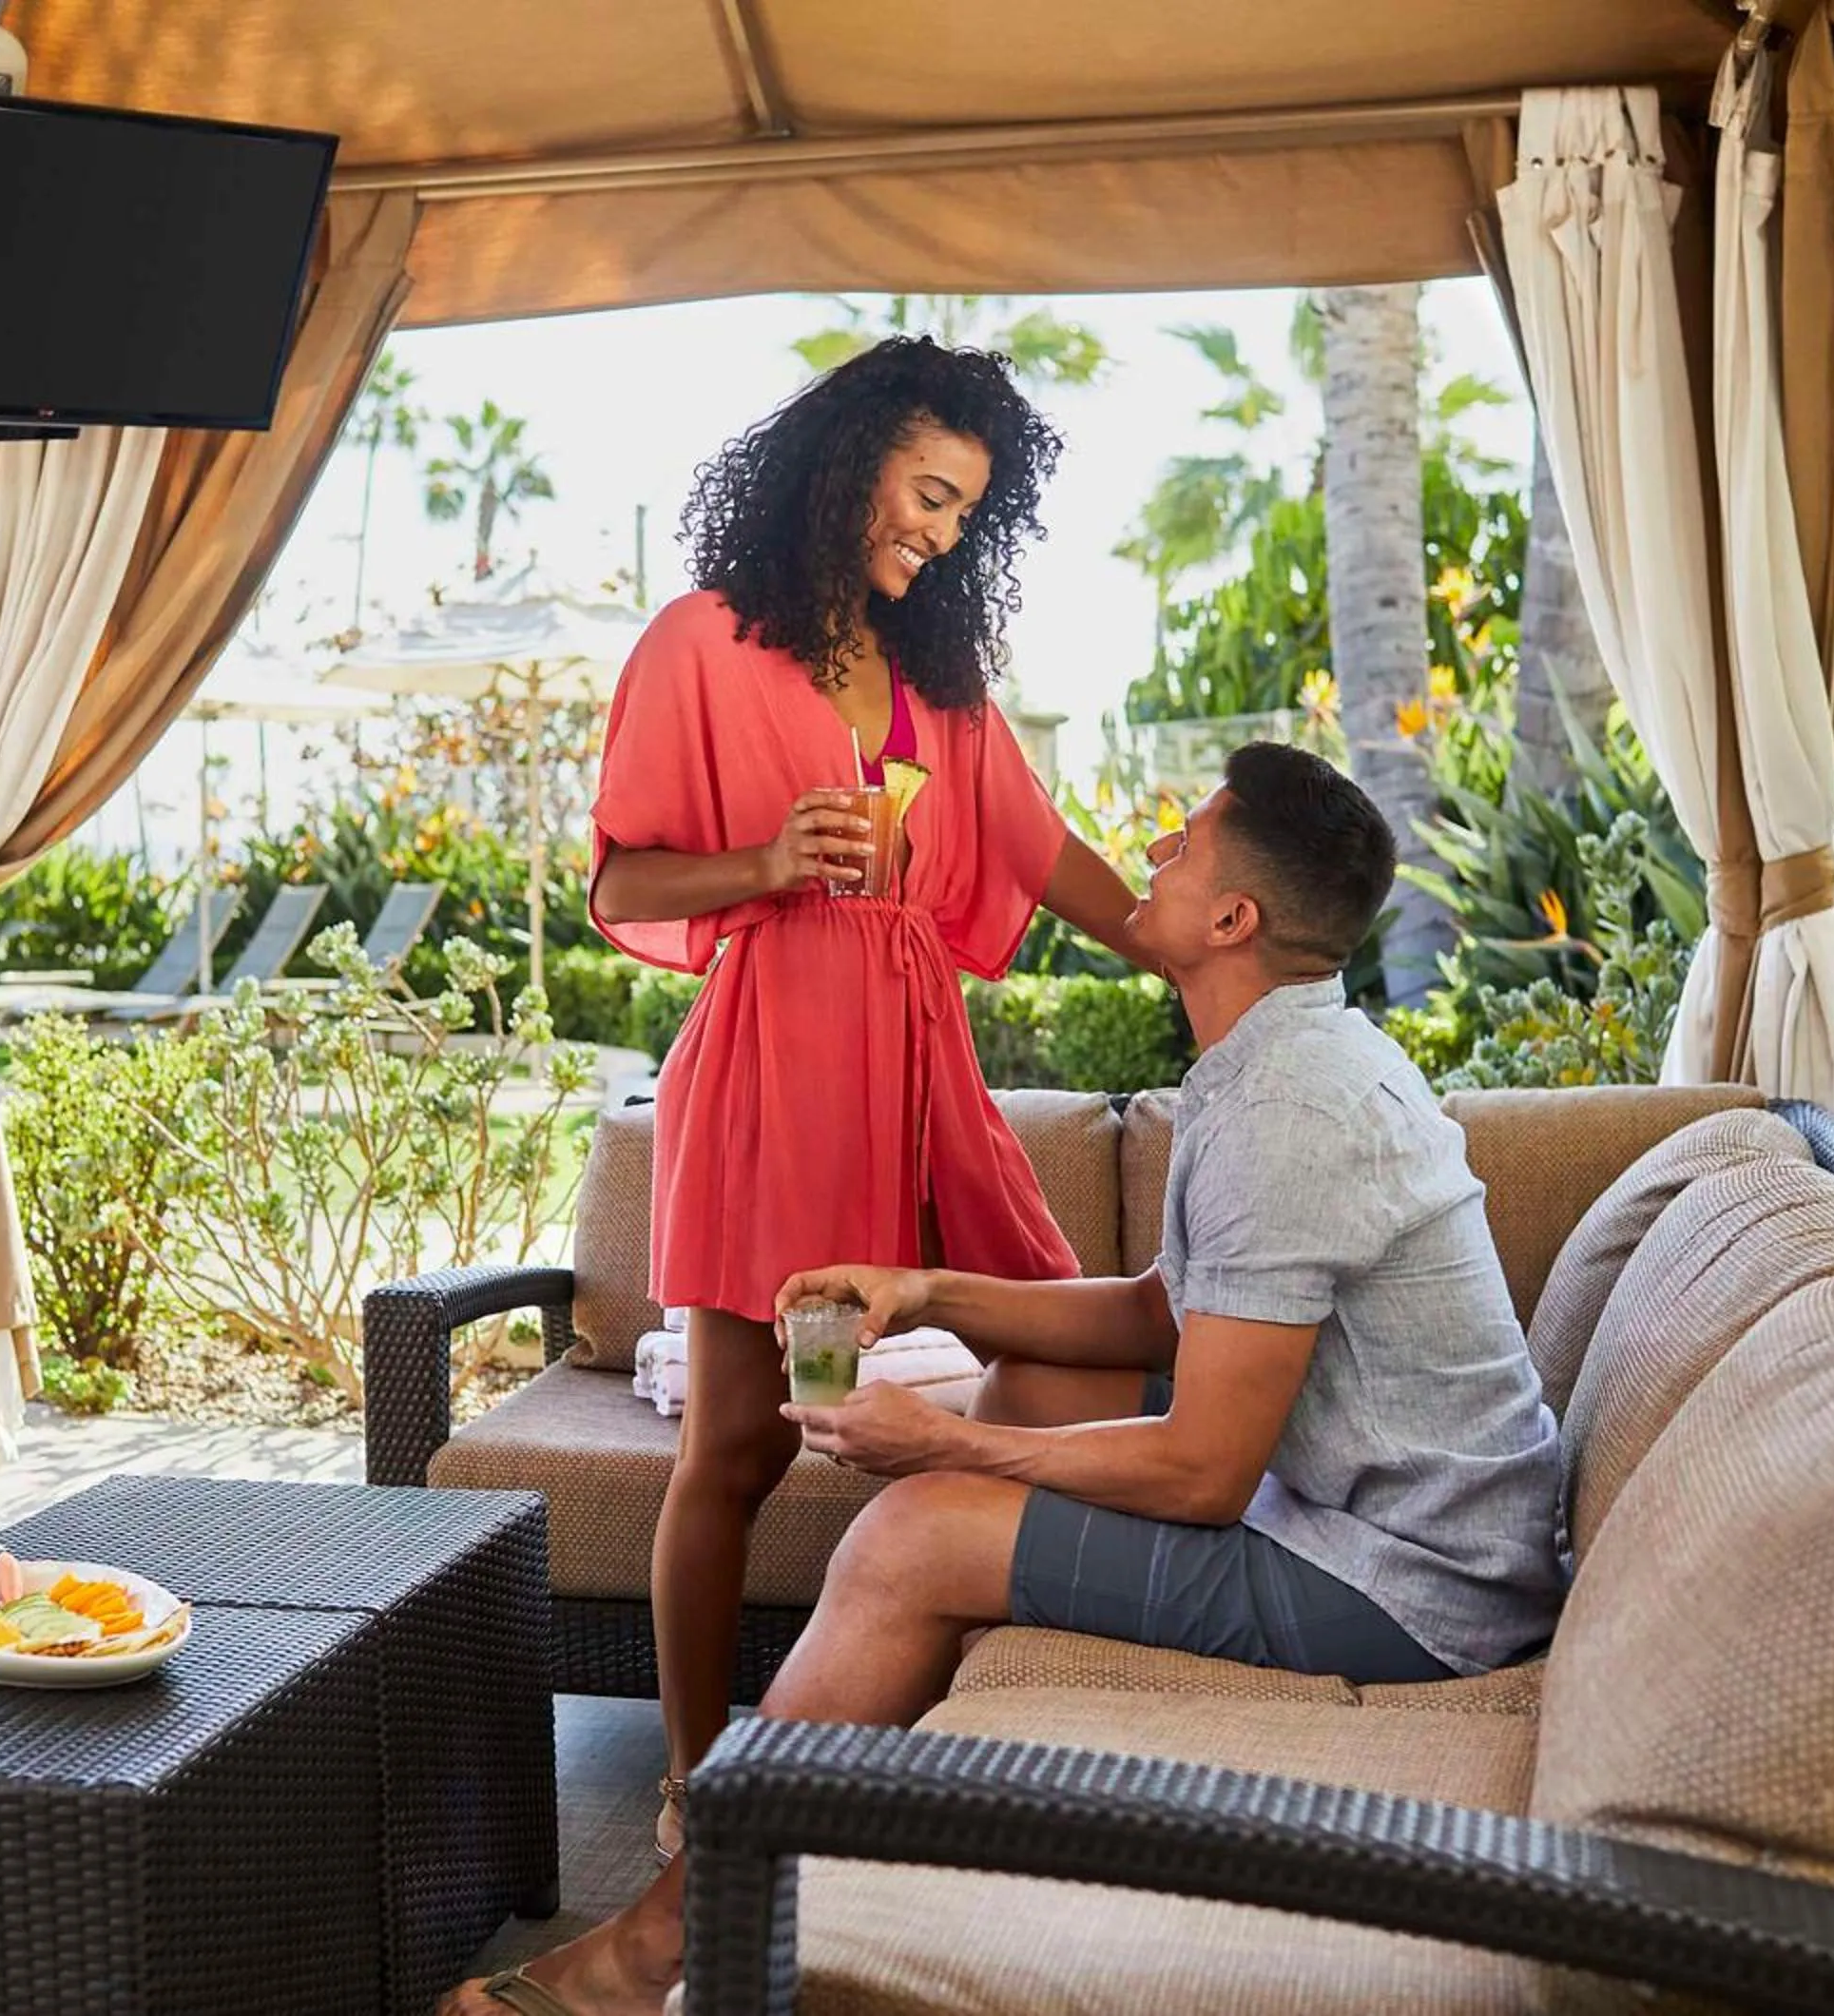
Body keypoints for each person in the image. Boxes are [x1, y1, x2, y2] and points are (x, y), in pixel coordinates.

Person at [451, 743, 1565, 2016]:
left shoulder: (1290, 1116)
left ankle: (655, 1946)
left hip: (1412, 1586)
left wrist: (943, 1448)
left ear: (1233, 918)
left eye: (1183, 843)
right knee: (969, 1469)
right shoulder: (1274, 1067)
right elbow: (1160, 1312)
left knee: (911, 1540)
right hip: (1388, 1535)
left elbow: (1202, 1473)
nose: (1151, 854)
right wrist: (924, 1290)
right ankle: (836, 1844)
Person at [585, 337, 1148, 1865]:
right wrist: (766, 864)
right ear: (849, 462)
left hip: (914, 1060)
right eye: (928, 492)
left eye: (968, 512)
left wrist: (1182, 942)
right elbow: (621, 879)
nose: (942, 532)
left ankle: (983, 1721)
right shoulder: (701, 641)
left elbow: (1033, 840)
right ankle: (702, 1792)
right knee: (741, 1446)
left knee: (1068, 1333)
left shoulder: (940, 678)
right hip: (773, 1061)